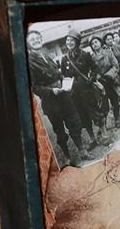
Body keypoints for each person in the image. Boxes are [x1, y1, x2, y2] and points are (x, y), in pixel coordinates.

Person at [25, 29, 86, 159]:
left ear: (41, 39)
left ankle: (83, 152)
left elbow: (57, 74)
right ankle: (68, 159)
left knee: (74, 123)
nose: (35, 41)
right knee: (59, 130)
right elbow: (35, 87)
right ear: (28, 44)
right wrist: (51, 91)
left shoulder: (46, 56)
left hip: (63, 96)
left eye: (37, 38)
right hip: (50, 101)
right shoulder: (29, 62)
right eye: (32, 40)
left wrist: (64, 80)